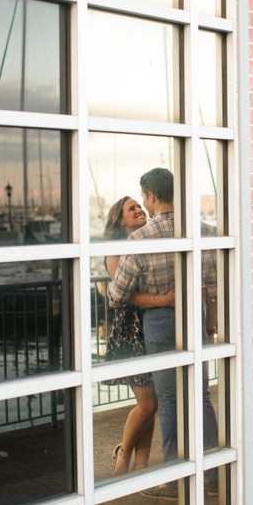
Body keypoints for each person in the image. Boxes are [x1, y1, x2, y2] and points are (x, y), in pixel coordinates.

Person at [108, 168, 217, 498]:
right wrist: (209, 326)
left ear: (152, 196)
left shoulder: (140, 239)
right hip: (195, 320)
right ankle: (211, 473)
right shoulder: (203, 231)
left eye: (143, 197)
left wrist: (154, 298)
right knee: (199, 397)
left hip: (159, 323)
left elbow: (116, 295)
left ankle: (174, 478)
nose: (143, 202)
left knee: (168, 401)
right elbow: (212, 288)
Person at [100, 196, 172, 476]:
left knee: (150, 402)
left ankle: (141, 467)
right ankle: (124, 453)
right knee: (148, 403)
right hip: (130, 330)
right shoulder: (117, 250)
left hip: (149, 326)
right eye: (132, 209)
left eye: (139, 206)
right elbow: (122, 296)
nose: (139, 210)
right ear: (120, 220)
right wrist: (163, 299)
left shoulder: (142, 244)